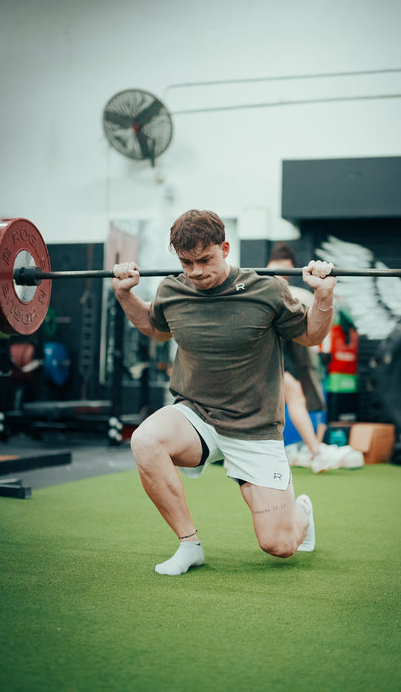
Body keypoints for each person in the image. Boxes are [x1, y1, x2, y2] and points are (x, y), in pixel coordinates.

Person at [111, 209, 336, 576]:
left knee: (277, 546)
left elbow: (312, 335)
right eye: (187, 262)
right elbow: (155, 326)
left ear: (225, 248)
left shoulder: (268, 290)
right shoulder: (172, 288)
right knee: (146, 440)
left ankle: (302, 514)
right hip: (196, 416)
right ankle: (189, 545)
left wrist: (323, 297)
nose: (196, 272)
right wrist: (125, 295)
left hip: (255, 425)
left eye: (205, 260)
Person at [267, 242, 364, 474]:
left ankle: (311, 450)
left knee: (286, 401)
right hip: (259, 359)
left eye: (286, 270)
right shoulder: (266, 286)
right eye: (280, 269)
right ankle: (317, 452)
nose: (283, 275)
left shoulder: (287, 291)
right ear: (275, 265)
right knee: (295, 398)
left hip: (276, 358)